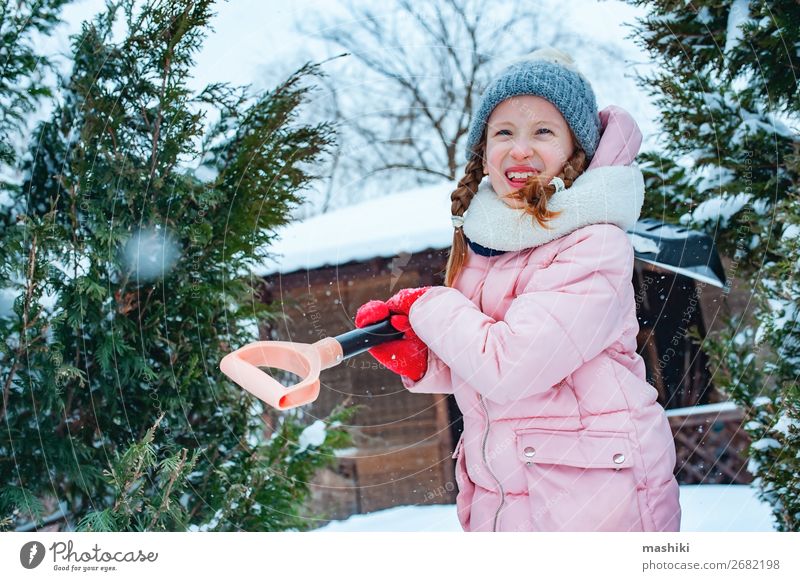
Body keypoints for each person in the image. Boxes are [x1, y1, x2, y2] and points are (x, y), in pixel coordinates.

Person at [355, 48, 681, 532]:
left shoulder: (594, 244)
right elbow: (491, 368)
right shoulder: (488, 249)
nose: (519, 148)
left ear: (577, 151)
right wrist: (427, 358)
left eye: (543, 132)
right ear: (483, 152)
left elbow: (514, 367)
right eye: (503, 132)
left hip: (593, 501)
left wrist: (430, 305)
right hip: (508, 498)